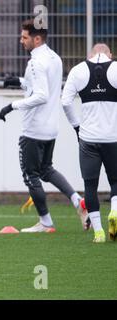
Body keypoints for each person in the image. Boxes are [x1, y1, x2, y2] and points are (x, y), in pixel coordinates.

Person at [0, 19, 87, 233]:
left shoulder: (36, 62)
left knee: (31, 175)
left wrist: (12, 105)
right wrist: (19, 81)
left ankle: (45, 222)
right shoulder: (54, 58)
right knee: (46, 169)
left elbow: (40, 95)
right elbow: (42, 85)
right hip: (50, 127)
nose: (21, 41)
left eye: (25, 37)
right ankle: (78, 201)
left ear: (37, 38)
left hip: (34, 129)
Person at [61, 43, 117, 243]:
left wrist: (76, 127)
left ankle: (99, 232)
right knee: (116, 181)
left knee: (90, 185)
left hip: (88, 139)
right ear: (110, 54)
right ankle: (115, 213)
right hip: (113, 138)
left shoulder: (78, 70)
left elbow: (65, 101)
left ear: (91, 54)